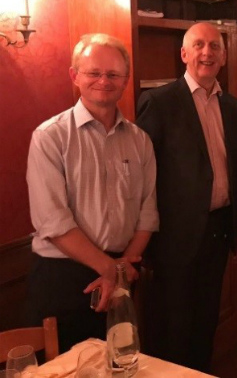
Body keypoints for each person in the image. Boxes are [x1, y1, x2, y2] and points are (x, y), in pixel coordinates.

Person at [25, 33, 159, 353]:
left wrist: (121, 269)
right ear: (75, 76)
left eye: (113, 74)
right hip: (64, 277)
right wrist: (109, 269)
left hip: (123, 270)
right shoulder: (50, 137)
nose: (104, 80)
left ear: (125, 80)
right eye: (93, 72)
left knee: (120, 364)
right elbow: (52, 221)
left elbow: (148, 213)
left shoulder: (140, 141)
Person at [136, 22, 237, 373]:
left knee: (205, 323)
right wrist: (144, 244)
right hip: (173, 238)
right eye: (199, 45)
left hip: (218, 232)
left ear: (224, 55)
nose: (207, 52)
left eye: (215, 46)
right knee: (171, 329)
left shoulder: (235, 107)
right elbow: (142, 177)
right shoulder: (158, 102)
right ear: (184, 54)